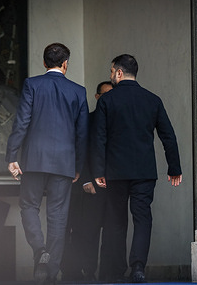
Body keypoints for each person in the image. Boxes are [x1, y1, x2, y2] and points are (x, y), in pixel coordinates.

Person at [91, 54, 182, 283]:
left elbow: (98, 138)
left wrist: (98, 170)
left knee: (116, 221)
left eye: (112, 71)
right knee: (142, 219)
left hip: (115, 172)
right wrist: (174, 167)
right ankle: (138, 266)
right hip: (144, 172)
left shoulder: (106, 101)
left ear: (119, 73)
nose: (110, 75)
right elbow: (168, 136)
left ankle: (116, 270)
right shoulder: (153, 100)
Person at [6, 42, 89, 285]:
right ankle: (50, 273)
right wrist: (78, 165)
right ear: (65, 64)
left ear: (44, 63)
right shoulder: (79, 91)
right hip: (64, 163)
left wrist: (11, 155)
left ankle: (39, 250)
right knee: (58, 216)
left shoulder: (32, 84)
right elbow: (82, 133)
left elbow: (21, 122)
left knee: (29, 206)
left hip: (34, 160)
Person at [61, 81, 113, 282]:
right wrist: (85, 179)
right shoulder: (86, 120)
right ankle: (79, 272)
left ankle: (103, 273)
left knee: (108, 232)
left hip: (112, 186)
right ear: (97, 97)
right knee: (84, 231)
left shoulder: (117, 121)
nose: (109, 99)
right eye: (105, 95)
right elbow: (80, 150)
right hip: (88, 186)